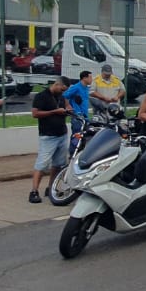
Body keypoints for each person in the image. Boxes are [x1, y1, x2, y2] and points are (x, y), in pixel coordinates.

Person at [29, 76, 71, 204]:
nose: (62, 92)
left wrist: (68, 110)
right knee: (42, 164)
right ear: (57, 84)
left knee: (58, 164)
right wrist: (54, 112)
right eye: (62, 89)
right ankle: (34, 191)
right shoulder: (41, 96)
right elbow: (35, 114)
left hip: (62, 134)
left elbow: (67, 105)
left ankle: (51, 187)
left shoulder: (61, 96)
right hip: (48, 135)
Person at [66, 70, 94, 156]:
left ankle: (79, 153)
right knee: (77, 135)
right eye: (90, 77)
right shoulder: (76, 87)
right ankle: (72, 153)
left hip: (85, 116)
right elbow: (65, 95)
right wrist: (68, 106)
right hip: (78, 116)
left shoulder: (86, 88)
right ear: (84, 78)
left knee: (84, 136)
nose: (91, 79)